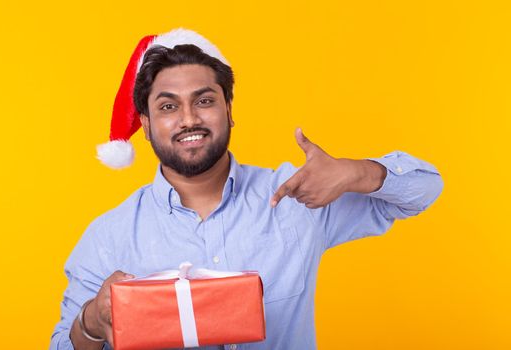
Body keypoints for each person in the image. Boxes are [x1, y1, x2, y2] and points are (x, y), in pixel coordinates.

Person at [50, 28, 444, 350]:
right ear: (147, 124)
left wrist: (355, 173)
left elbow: (426, 188)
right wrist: (92, 322)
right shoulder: (109, 235)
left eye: (204, 100)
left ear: (229, 110)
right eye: (168, 107)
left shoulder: (299, 194)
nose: (189, 119)